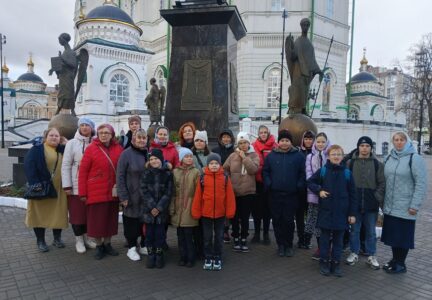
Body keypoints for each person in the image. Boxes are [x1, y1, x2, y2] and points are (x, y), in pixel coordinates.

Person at [307, 145, 357, 277]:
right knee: (324, 240)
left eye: (338, 154)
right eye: (333, 154)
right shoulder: (323, 171)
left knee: (338, 241)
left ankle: (336, 264)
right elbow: (310, 182)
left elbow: (353, 195)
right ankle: (324, 263)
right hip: (326, 212)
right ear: (328, 156)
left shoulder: (347, 173)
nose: (336, 156)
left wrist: (352, 214)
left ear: (342, 157)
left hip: (341, 213)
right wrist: (319, 190)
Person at [381, 132, 427, 274]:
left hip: (406, 206)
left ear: (406, 141)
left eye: (402, 140)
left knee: (403, 236)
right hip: (390, 204)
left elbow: (421, 183)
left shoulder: (415, 158)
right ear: (393, 142)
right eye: (396, 140)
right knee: (394, 235)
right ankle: (395, 260)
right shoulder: (389, 157)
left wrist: (415, 205)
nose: (399, 142)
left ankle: (401, 263)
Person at [78, 124, 123, 260]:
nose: (103, 135)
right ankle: (99, 246)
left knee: (110, 220)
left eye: (106, 133)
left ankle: (108, 244)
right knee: (97, 221)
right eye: (101, 132)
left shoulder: (119, 149)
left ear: (112, 134)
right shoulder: (91, 149)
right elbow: (83, 172)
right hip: (95, 191)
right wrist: (82, 193)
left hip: (112, 191)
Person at [263, 130, 306, 257]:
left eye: (287, 141)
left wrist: (298, 185)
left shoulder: (298, 156)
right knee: (277, 220)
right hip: (274, 194)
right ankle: (280, 244)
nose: (284, 143)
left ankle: (288, 244)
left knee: (288, 221)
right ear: (278, 142)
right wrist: (269, 183)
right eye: (282, 140)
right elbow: (265, 172)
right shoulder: (271, 156)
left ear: (290, 142)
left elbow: (302, 174)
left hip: (291, 195)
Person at [25, 127, 68, 252]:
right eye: (51, 135)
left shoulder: (62, 150)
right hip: (41, 189)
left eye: (57, 136)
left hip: (59, 189)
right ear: (45, 137)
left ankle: (57, 239)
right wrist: (35, 184)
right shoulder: (37, 150)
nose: (54, 137)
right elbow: (29, 166)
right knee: (39, 215)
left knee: (58, 214)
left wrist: (66, 144)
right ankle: (41, 241)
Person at [345, 136, 385, 270]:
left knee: (371, 232)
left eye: (367, 146)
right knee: (354, 230)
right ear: (358, 147)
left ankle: (372, 255)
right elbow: (346, 182)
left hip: (370, 204)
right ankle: (354, 252)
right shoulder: (350, 163)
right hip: (355, 204)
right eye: (362, 146)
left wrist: (376, 197)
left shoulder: (377, 164)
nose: (364, 148)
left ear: (371, 148)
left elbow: (382, 183)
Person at [192, 153, 236, 271]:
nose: (214, 166)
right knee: (207, 237)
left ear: (220, 164)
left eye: (216, 163)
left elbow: (229, 196)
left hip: (220, 214)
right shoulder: (203, 177)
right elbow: (198, 196)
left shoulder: (225, 177)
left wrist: (230, 211)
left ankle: (217, 256)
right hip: (206, 214)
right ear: (208, 165)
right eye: (211, 164)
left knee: (219, 236)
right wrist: (196, 212)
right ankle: (208, 256)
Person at [61, 117, 97, 254]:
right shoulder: (71, 143)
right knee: (77, 215)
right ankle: (79, 240)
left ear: (92, 128)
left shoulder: (96, 143)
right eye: (82, 125)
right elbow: (66, 165)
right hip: (76, 185)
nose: (84, 127)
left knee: (88, 214)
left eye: (87, 125)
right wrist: (67, 185)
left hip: (92, 185)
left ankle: (87, 238)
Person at [224, 132, 259, 253]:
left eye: (245, 143)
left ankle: (244, 238)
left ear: (249, 143)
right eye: (240, 143)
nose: (243, 145)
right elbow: (225, 169)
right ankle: (236, 237)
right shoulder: (232, 156)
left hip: (247, 192)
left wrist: (244, 157)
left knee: (244, 217)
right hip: (233, 192)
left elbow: (253, 169)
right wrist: (228, 180)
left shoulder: (254, 155)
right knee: (234, 217)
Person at [117, 129, 148, 261]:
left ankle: (143, 244)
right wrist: (123, 196)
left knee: (144, 221)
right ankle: (131, 248)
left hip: (146, 197)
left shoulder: (148, 153)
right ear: (133, 139)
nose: (141, 140)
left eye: (144, 138)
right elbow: (120, 176)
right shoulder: (126, 154)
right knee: (131, 222)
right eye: (138, 138)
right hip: (132, 195)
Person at [140, 149, 173, 269]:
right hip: (148, 211)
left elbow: (168, 193)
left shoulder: (167, 174)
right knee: (149, 234)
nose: (154, 161)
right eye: (151, 159)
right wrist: (152, 206)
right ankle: (151, 254)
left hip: (161, 211)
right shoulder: (145, 173)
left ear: (161, 160)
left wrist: (158, 207)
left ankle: (159, 254)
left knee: (160, 234)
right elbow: (143, 191)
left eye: (156, 159)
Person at [170, 147, 200, 267]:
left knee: (188, 235)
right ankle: (182, 257)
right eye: (186, 156)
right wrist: (172, 208)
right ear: (181, 158)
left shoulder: (196, 172)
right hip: (178, 208)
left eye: (190, 156)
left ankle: (190, 258)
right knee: (180, 236)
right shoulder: (175, 172)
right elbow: (173, 192)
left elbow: (198, 192)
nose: (189, 158)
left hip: (189, 207)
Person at [285, 18, 322, 114]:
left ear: (308, 27)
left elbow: (312, 59)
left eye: (307, 25)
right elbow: (293, 56)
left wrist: (319, 71)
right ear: (301, 27)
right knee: (296, 88)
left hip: (306, 72)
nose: (305, 27)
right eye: (303, 25)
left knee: (305, 91)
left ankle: (302, 108)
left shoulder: (309, 44)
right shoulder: (298, 41)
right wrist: (290, 45)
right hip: (298, 70)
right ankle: (292, 108)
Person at [304, 132, 331, 259]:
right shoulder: (310, 157)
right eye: (318, 142)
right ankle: (321, 248)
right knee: (317, 224)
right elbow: (309, 175)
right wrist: (317, 189)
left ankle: (328, 248)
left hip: (328, 195)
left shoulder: (330, 155)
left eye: (323, 142)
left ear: (327, 143)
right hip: (315, 194)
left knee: (327, 223)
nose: (320, 144)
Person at [251, 125, 277, 245]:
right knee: (256, 210)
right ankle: (256, 233)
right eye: (261, 132)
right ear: (258, 134)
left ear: (268, 133)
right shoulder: (253, 146)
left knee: (267, 210)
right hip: (256, 182)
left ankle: (266, 234)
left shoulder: (275, 146)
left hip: (269, 182)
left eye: (265, 132)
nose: (263, 134)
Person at [211, 129, 235, 243]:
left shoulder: (235, 150)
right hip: (217, 181)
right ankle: (218, 230)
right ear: (220, 139)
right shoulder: (215, 151)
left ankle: (225, 229)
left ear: (231, 138)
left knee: (227, 206)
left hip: (231, 182)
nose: (226, 139)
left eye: (228, 137)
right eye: (224, 137)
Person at [296, 130, 316, 249]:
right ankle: (300, 238)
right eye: (306, 139)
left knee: (310, 216)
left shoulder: (316, 153)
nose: (308, 141)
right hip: (300, 189)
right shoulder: (299, 152)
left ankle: (307, 239)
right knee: (299, 216)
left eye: (310, 139)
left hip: (312, 190)